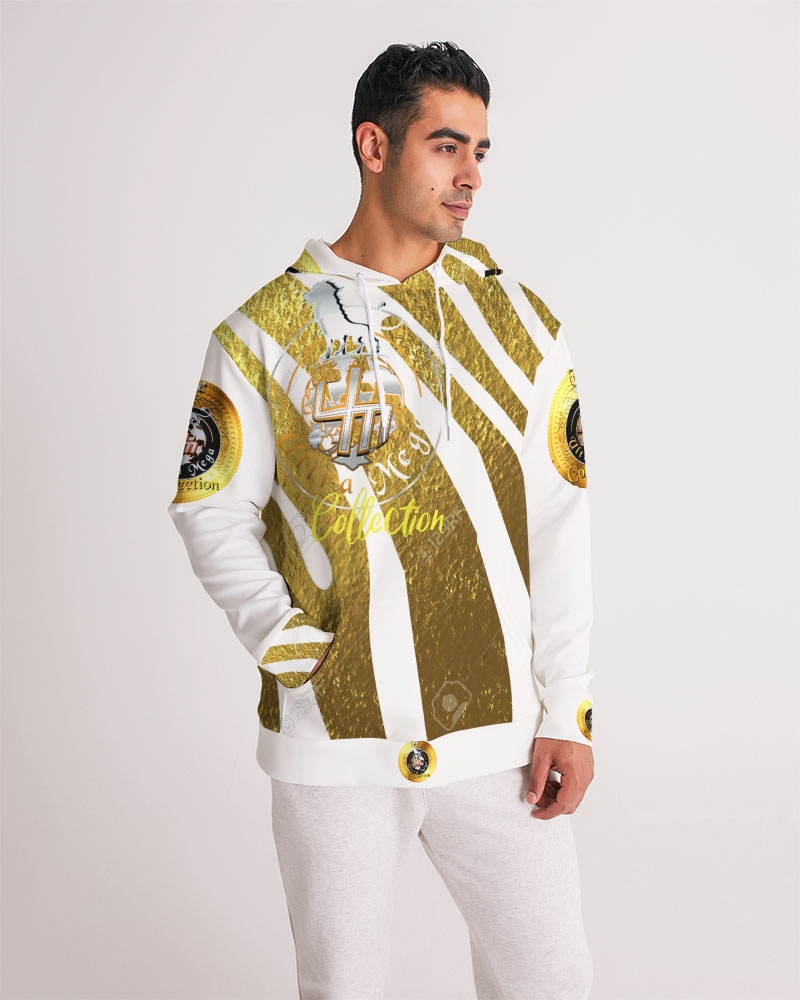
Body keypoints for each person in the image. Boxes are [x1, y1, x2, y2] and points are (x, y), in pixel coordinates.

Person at [167, 39, 595, 1000]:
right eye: (447, 146)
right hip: (334, 743)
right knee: (342, 987)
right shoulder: (262, 333)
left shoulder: (522, 325)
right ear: (374, 145)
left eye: (481, 151)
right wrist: (287, 646)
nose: (470, 175)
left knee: (554, 980)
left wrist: (568, 707)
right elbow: (210, 505)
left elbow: (560, 523)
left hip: (498, 741)